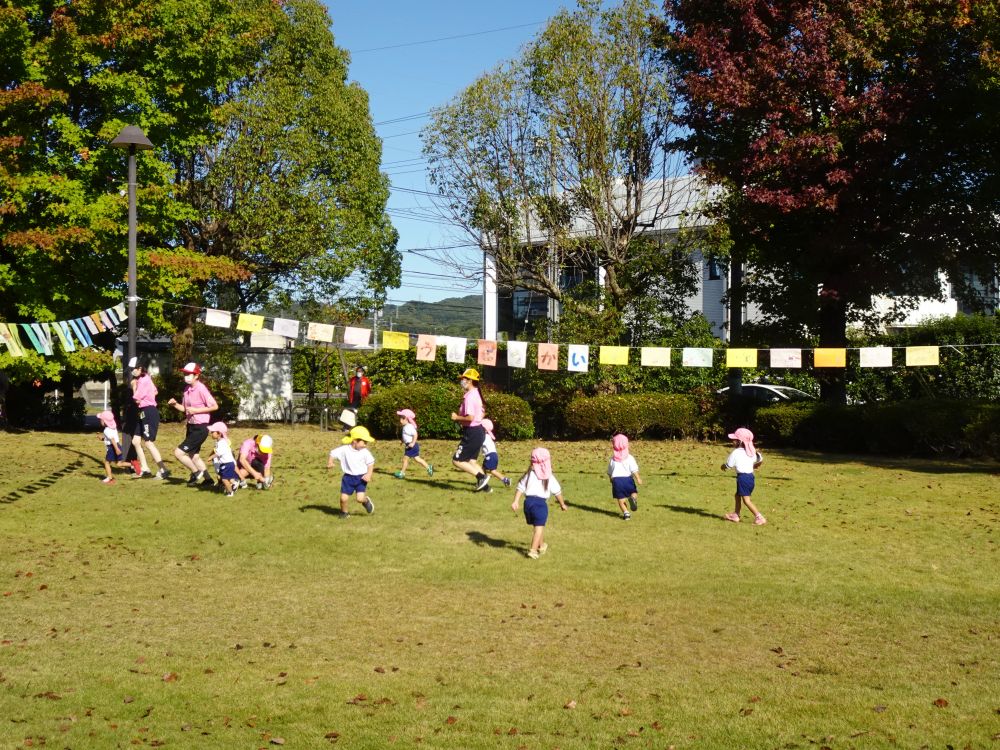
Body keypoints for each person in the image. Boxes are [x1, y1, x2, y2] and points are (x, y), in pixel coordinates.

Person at [167, 362, 218, 486]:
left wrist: (196, 410)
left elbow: (215, 406)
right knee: (193, 456)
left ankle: (196, 473)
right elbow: (185, 409)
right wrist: (175, 405)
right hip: (191, 426)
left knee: (178, 453)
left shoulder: (201, 389)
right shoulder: (187, 389)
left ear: (196, 375)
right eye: (185, 373)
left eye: (189, 374)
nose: (186, 376)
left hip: (201, 427)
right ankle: (208, 480)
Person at [511, 447, 567, 559]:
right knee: (539, 527)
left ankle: (541, 545)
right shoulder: (549, 477)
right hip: (540, 504)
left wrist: (516, 501)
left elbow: (520, 487)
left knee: (537, 525)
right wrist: (562, 504)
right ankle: (532, 550)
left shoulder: (529, 474)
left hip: (528, 503)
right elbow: (557, 492)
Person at [129, 357, 170, 479]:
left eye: (133, 369)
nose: (132, 371)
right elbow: (155, 392)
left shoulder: (143, 381)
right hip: (143, 412)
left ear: (140, 368)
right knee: (136, 441)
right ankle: (145, 468)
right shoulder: (145, 378)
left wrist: (133, 387)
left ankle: (163, 469)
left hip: (148, 412)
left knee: (148, 442)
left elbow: (136, 399)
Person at [450, 368, 490, 492]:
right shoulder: (476, 394)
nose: (462, 381)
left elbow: (470, 417)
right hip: (478, 432)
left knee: (457, 460)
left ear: (470, 381)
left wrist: (457, 417)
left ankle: (481, 477)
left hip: (472, 432)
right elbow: (482, 412)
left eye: (464, 379)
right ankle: (486, 487)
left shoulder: (470, 396)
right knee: (471, 461)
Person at [327, 425, 376, 519]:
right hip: (348, 478)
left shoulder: (365, 452)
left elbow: (371, 463)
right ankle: (344, 513)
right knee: (343, 498)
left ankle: (366, 501)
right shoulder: (344, 450)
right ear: (354, 440)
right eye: (364, 442)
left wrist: (368, 474)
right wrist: (330, 462)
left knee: (359, 499)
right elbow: (332, 453)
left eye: (366, 442)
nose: (365, 444)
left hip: (361, 478)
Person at [720, 427, 766, 525]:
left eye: (735, 439)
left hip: (743, 478)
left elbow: (729, 465)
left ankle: (759, 517)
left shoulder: (736, 452)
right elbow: (760, 459)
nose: (732, 441)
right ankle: (736, 515)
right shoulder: (752, 451)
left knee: (746, 500)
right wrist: (755, 466)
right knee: (737, 495)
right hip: (750, 477)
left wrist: (723, 466)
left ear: (740, 441)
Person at [608, 433, 642, 520]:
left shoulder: (613, 459)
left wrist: (611, 479)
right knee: (634, 492)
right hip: (628, 480)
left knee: (621, 499)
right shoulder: (629, 457)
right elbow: (634, 469)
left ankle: (626, 513)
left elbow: (610, 472)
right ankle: (632, 498)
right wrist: (638, 478)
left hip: (617, 481)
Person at [393, 409, 433, 479]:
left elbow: (415, 434)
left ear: (405, 419)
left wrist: (412, 443)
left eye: (401, 419)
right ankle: (428, 467)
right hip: (411, 445)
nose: (400, 421)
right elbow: (406, 436)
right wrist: (402, 441)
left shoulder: (409, 427)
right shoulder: (405, 427)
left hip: (411, 446)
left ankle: (402, 473)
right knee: (417, 459)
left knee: (405, 459)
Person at [206, 421, 238, 497]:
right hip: (228, 463)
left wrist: (211, 457)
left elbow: (218, 453)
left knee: (224, 479)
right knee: (227, 477)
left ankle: (230, 492)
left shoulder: (222, 443)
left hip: (227, 464)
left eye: (213, 432)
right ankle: (234, 483)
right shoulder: (220, 442)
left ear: (219, 433)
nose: (211, 433)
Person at [480, 418, 510, 488]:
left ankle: (505, 480)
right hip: (493, 455)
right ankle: (505, 480)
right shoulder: (488, 436)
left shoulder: (483, 436)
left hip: (490, 456)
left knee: (491, 471)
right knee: (484, 469)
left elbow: (478, 444)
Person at [97, 410, 123, 484]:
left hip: (113, 447)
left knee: (107, 463)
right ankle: (133, 464)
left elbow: (112, 439)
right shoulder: (113, 428)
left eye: (101, 420)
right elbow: (110, 438)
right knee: (119, 464)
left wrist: (116, 449)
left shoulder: (106, 430)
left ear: (104, 421)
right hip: (117, 446)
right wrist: (102, 438)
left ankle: (110, 478)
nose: (100, 421)